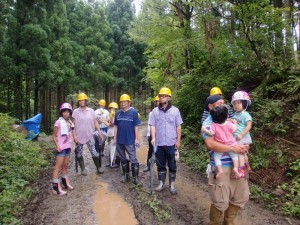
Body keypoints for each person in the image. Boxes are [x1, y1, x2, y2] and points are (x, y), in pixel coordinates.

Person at [202, 94, 250, 225]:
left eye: (224, 103)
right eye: (220, 104)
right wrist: (233, 148)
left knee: (238, 197)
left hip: (238, 164)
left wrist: (243, 146)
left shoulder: (229, 119)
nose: (225, 106)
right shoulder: (208, 123)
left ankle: (229, 221)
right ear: (211, 107)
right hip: (222, 167)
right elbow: (210, 144)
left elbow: (240, 136)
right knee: (219, 201)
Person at [150, 87, 183, 195]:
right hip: (159, 143)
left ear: (169, 97)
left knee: (172, 165)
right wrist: (153, 137)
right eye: (160, 96)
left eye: (164, 96)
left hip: (171, 143)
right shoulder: (155, 111)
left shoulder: (175, 111)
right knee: (160, 164)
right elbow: (153, 125)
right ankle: (161, 183)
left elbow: (178, 126)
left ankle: (172, 184)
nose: (162, 97)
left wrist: (178, 140)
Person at [202, 105, 240, 178]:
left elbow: (211, 133)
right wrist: (235, 123)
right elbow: (234, 129)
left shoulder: (213, 125)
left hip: (220, 145)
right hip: (232, 144)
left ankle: (220, 170)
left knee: (217, 157)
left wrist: (204, 129)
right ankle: (235, 168)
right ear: (226, 116)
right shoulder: (229, 124)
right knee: (235, 156)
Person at [72, 93, 103, 175]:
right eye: (80, 100)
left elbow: (95, 122)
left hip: (90, 135)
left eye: (83, 100)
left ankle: (98, 168)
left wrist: (99, 132)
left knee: (95, 153)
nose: (82, 102)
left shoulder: (91, 111)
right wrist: (74, 136)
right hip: (79, 136)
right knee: (79, 154)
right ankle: (83, 169)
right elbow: (73, 125)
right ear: (78, 102)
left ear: (86, 101)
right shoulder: (75, 112)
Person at [114, 94, 141, 185]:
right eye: (121, 101)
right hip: (119, 140)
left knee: (133, 158)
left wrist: (136, 139)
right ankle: (126, 175)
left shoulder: (134, 113)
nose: (123, 103)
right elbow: (116, 127)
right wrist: (115, 138)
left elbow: (136, 126)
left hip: (130, 140)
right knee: (122, 158)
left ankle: (135, 178)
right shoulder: (118, 113)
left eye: (125, 101)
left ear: (129, 102)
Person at [51, 103, 75, 195]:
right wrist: (57, 145)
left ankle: (65, 183)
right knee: (58, 167)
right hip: (61, 148)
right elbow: (53, 135)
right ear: (61, 112)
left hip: (67, 147)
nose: (66, 113)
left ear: (70, 113)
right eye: (64, 111)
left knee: (65, 166)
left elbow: (72, 133)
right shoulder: (58, 122)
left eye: (67, 112)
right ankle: (56, 188)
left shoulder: (69, 122)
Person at [231, 90, 253, 177]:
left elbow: (249, 126)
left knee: (240, 153)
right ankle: (247, 164)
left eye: (239, 103)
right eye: (235, 104)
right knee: (243, 153)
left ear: (245, 104)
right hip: (237, 137)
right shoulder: (235, 114)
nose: (236, 105)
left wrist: (241, 134)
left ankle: (241, 169)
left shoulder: (246, 114)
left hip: (242, 137)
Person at [143, 95, 159, 172]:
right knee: (150, 150)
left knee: (160, 151)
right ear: (155, 102)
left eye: (159, 101)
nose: (158, 102)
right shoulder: (152, 113)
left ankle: (160, 167)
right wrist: (149, 134)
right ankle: (148, 166)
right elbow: (150, 124)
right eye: (157, 101)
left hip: (160, 136)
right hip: (152, 135)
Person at [106, 102, 120, 168]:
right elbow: (109, 124)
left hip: (115, 134)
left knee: (115, 149)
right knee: (110, 148)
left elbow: (112, 124)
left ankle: (116, 163)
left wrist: (109, 120)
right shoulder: (109, 115)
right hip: (110, 133)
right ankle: (111, 162)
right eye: (111, 108)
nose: (112, 109)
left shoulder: (118, 115)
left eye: (114, 108)